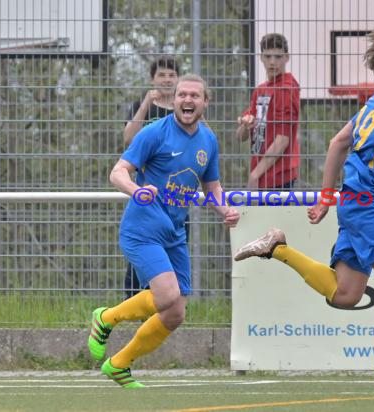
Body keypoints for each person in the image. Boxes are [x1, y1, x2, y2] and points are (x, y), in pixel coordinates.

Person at [234, 32, 374, 390]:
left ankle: (277, 248)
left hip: (351, 202)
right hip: (369, 206)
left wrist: (326, 195)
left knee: (345, 294)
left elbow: (338, 142)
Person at [89, 74, 240, 388]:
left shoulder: (208, 140)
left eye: (195, 96)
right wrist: (135, 189)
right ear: (174, 101)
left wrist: (224, 208)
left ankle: (118, 364)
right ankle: (106, 318)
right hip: (141, 229)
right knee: (167, 295)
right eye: (182, 94)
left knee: (175, 314)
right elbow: (117, 172)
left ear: (205, 102)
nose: (187, 100)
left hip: (174, 232)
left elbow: (211, 185)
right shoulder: (154, 133)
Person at [122, 56, 189, 299]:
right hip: (148, 195)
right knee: (141, 258)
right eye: (162, 75)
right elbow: (128, 139)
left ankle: (169, 309)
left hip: (177, 196)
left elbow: (205, 140)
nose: (167, 79)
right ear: (153, 79)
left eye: (172, 75)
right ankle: (130, 306)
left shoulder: (186, 109)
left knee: (172, 257)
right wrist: (144, 105)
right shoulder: (144, 106)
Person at [236, 33, 300, 191]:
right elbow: (240, 137)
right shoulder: (260, 90)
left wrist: (255, 174)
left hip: (279, 176)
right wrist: (245, 125)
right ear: (261, 57)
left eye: (278, 57)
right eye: (268, 56)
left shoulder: (287, 87)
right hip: (261, 173)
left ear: (287, 57)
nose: (272, 62)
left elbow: (283, 139)